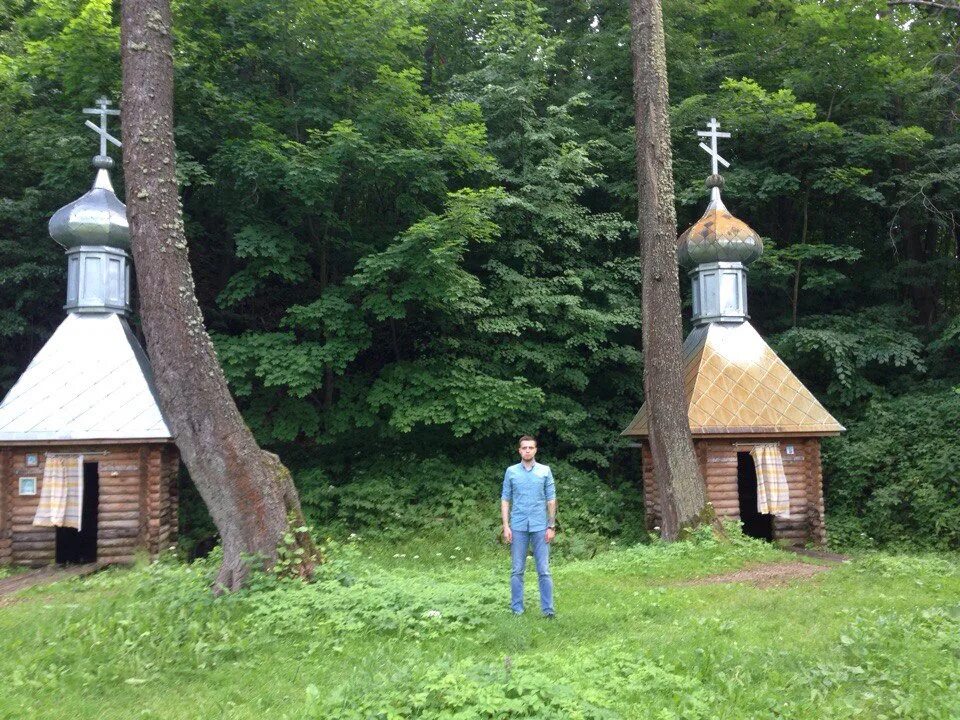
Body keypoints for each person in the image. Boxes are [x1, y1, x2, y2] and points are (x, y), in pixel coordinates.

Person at [501, 435, 556, 618]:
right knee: (517, 570)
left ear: (535, 450)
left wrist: (551, 526)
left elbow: (551, 500)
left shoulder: (545, 471)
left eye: (530, 448)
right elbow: (505, 499)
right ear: (519, 450)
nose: (527, 450)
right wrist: (506, 526)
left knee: (544, 570)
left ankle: (548, 611)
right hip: (517, 526)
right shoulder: (511, 472)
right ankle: (517, 609)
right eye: (524, 448)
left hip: (541, 527)